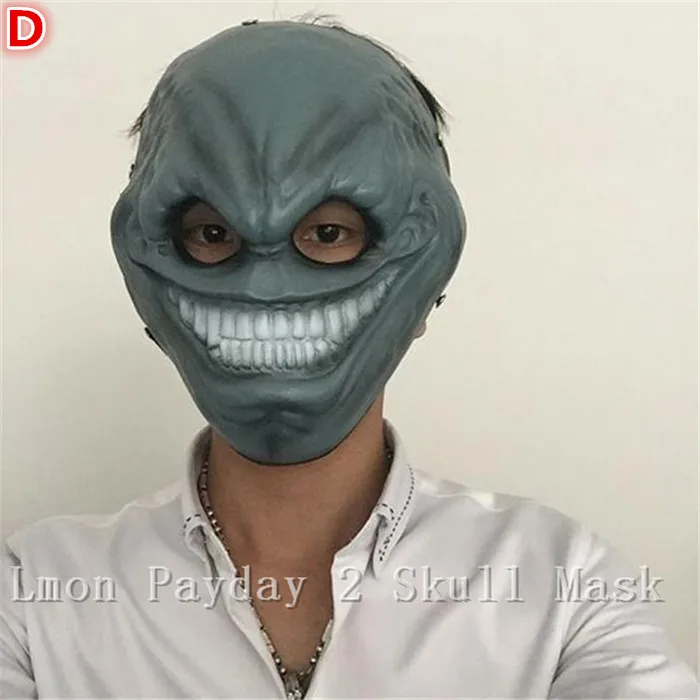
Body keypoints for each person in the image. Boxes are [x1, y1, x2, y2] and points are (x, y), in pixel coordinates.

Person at [1, 18, 697, 700]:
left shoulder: (562, 588)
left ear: (427, 260)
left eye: (329, 233)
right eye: (211, 233)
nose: (264, 285)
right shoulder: (36, 594)